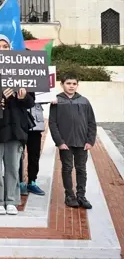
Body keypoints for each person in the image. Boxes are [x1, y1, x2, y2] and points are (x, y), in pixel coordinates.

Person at [0, 34, 34, 216]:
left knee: (13, 166)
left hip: (16, 125)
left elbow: (30, 102)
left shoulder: (22, 67)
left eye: (5, 46)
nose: (2, 50)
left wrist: (23, 96)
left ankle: (11, 199)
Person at [49, 73, 96, 209]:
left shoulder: (84, 101)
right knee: (67, 168)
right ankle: (70, 195)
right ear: (62, 84)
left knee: (81, 169)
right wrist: (59, 142)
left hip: (82, 142)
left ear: (77, 85)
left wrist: (90, 141)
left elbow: (91, 122)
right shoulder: (56, 101)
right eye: (68, 83)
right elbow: (53, 123)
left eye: (74, 84)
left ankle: (81, 195)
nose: (71, 86)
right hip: (66, 143)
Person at [19, 102, 47, 196]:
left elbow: (48, 94)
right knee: (17, 156)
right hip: (19, 123)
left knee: (34, 156)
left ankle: (32, 182)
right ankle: (19, 182)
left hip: (36, 123)